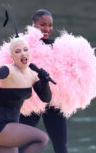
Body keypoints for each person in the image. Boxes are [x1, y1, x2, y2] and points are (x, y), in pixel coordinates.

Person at [0, 37, 52, 153]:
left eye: (25, 49)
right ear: (12, 56)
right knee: (42, 139)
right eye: (17, 51)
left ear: (29, 53)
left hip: (10, 127)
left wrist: (45, 81)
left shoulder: (33, 75)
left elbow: (46, 98)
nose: (23, 53)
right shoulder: (9, 70)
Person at [19, 9, 68, 153]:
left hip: (54, 103)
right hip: (31, 101)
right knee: (21, 147)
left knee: (61, 147)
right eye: (43, 24)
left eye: (50, 25)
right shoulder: (22, 46)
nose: (47, 29)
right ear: (33, 25)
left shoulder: (57, 46)